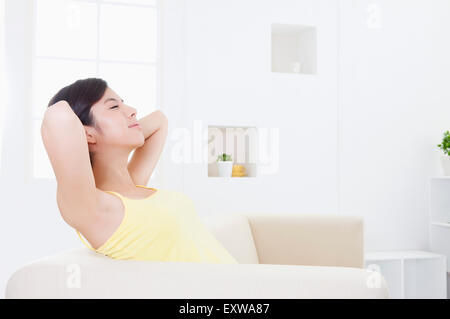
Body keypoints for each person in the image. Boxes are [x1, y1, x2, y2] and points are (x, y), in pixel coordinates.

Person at [41, 77, 238, 264]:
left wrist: (119, 131)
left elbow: (160, 120)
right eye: (114, 106)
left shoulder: (133, 185)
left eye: (123, 103)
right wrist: (98, 134)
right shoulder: (97, 211)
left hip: (246, 287)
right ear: (86, 133)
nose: (133, 110)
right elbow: (58, 115)